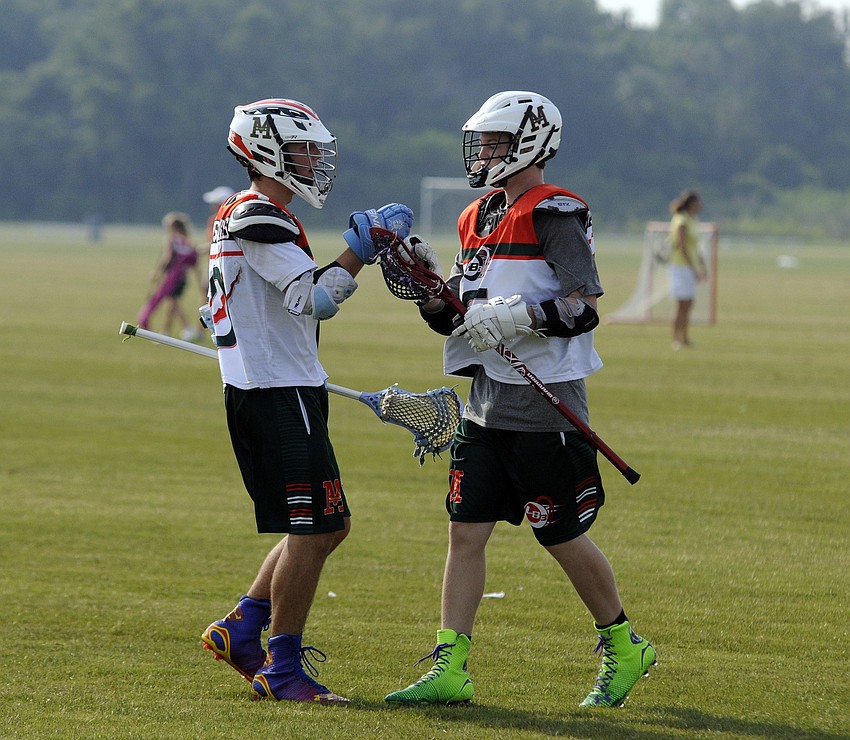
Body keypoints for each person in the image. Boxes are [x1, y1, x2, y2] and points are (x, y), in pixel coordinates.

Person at [384, 91, 655, 708]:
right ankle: (450, 666)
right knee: (465, 533)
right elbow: (458, 320)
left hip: (542, 402)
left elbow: (583, 307)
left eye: (494, 143)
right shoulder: (475, 215)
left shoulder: (553, 212)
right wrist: (432, 290)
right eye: (480, 143)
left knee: (557, 533)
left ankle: (624, 642)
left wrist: (517, 319)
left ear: (530, 142)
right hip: (485, 403)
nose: (482, 154)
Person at [199, 98, 413, 704]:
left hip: (279, 387)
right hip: (275, 392)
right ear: (265, 151)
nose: (314, 161)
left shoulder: (240, 214)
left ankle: (243, 627)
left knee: (328, 524)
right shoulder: (257, 214)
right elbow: (314, 299)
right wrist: (362, 248)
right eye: (302, 150)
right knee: (315, 528)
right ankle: (280, 666)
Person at [137, 212, 206, 340]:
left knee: (172, 302)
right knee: (172, 302)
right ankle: (169, 330)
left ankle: (185, 328)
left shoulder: (171, 239)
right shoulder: (187, 240)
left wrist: (158, 272)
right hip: (183, 277)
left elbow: (167, 258)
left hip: (173, 277)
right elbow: (194, 260)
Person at [668, 189, 707, 349]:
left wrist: (702, 266)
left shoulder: (693, 220)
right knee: (681, 304)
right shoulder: (681, 220)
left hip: (690, 267)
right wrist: (694, 269)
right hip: (681, 266)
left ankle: (685, 337)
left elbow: (695, 247)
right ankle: (676, 338)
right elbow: (682, 247)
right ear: (692, 204)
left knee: (689, 303)